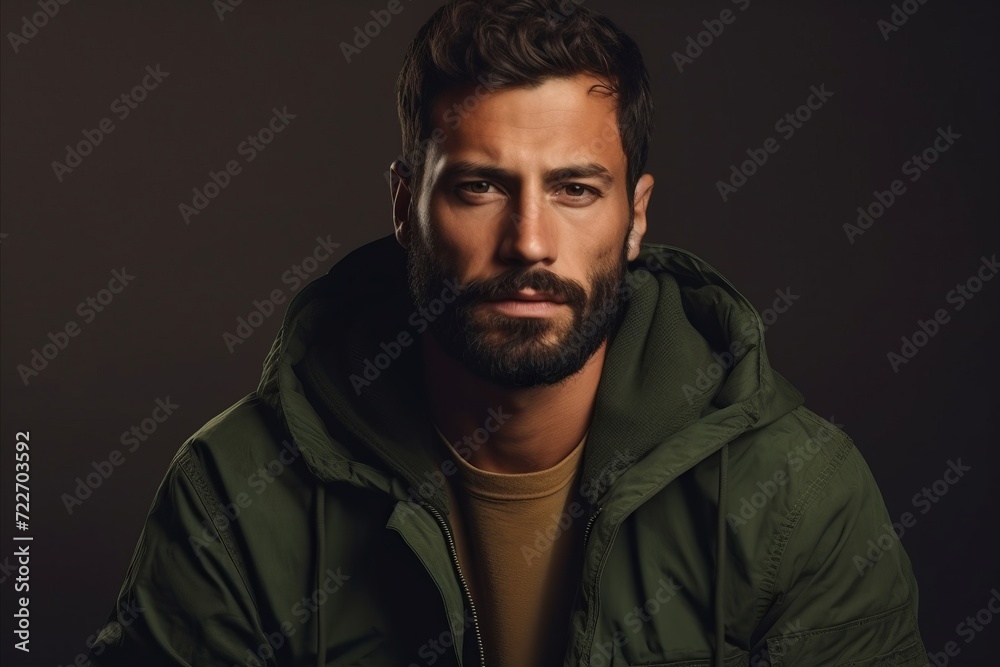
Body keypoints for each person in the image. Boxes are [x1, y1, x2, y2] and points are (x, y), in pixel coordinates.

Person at [90, 1, 926, 665]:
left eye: (574, 189)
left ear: (634, 218)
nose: (529, 240)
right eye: (481, 186)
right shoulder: (231, 493)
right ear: (403, 208)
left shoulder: (796, 495)